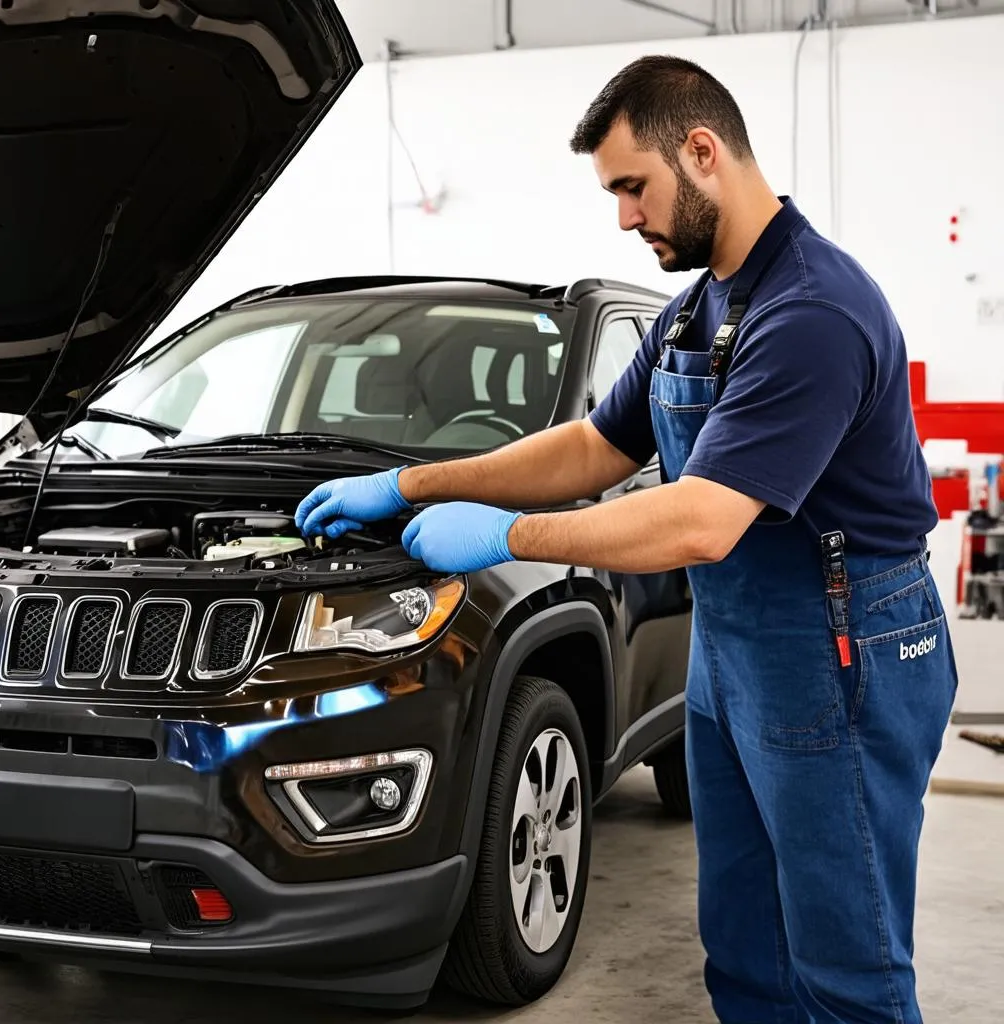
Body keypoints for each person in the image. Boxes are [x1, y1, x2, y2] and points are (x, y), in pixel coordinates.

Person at [296, 55, 958, 1023]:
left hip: (840, 641)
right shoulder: (700, 304)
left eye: (631, 188)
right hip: (735, 648)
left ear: (701, 152)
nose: (622, 216)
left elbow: (699, 517)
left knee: (844, 962)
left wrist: (508, 535)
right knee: (742, 947)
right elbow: (595, 444)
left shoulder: (809, 310)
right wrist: (409, 482)